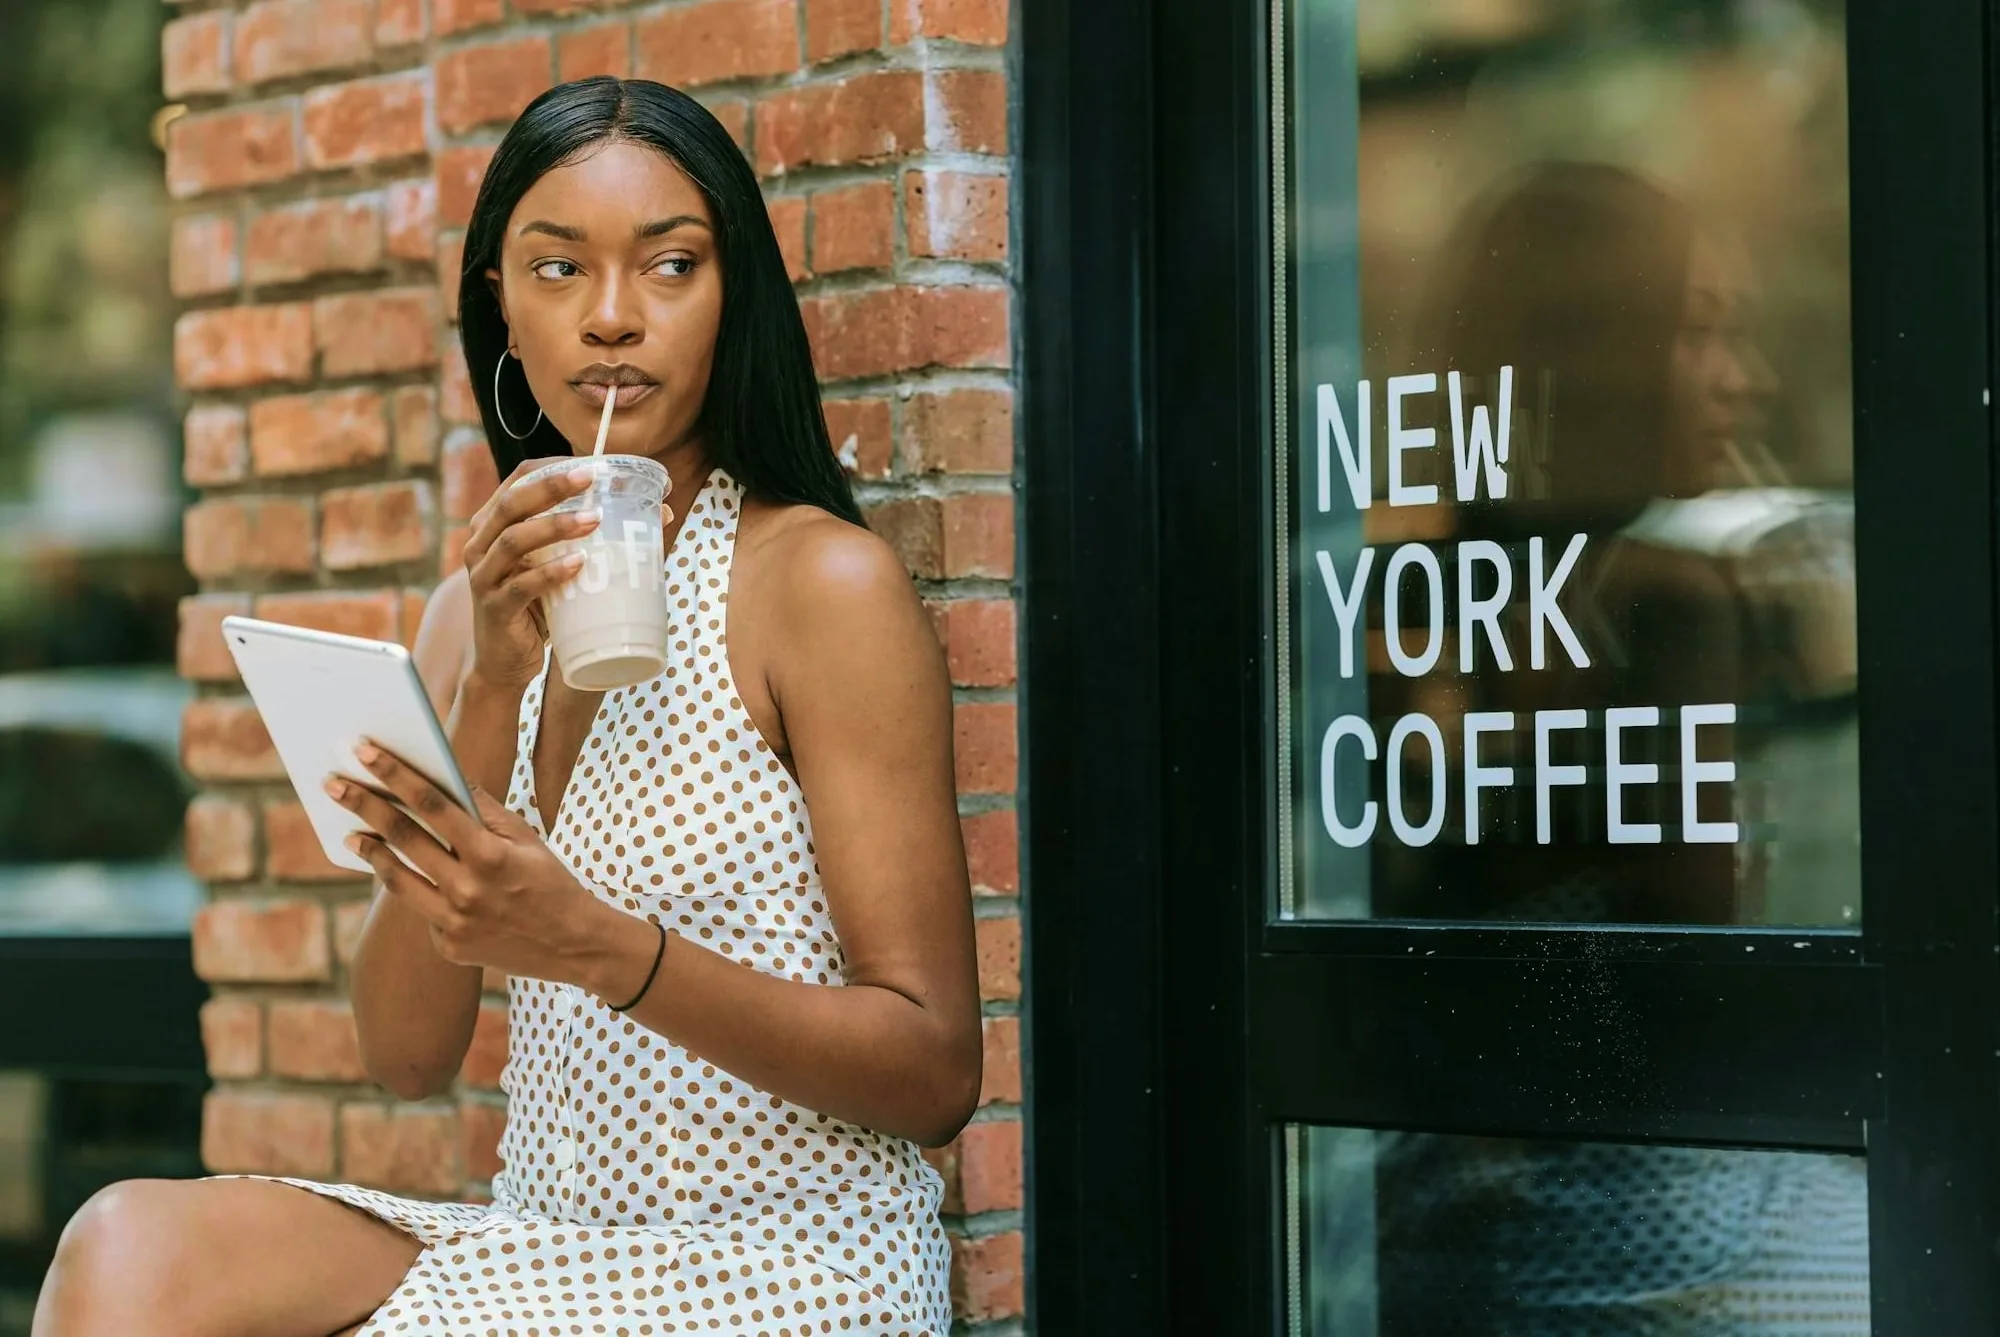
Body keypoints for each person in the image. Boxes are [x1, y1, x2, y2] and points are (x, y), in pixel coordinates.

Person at [34, 77, 981, 1337]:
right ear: (500, 303)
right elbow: (405, 1054)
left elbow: (931, 1070)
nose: (609, 319)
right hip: (553, 1237)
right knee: (127, 1246)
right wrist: (485, 677)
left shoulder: (817, 583)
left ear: (730, 292)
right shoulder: (463, 621)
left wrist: (597, 944)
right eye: (556, 269)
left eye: (669, 266)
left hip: (787, 1251)